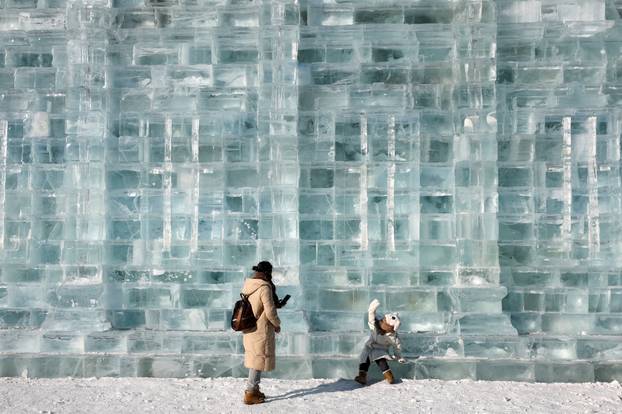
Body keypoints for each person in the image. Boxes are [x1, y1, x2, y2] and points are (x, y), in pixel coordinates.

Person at [241, 261, 281, 405]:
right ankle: (251, 392)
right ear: (267, 272)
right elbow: (270, 311)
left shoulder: (249, 284)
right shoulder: (264, 287)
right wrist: (277, 324)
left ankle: (254, 390)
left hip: (249, 326)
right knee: (258, 359)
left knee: (254, 357)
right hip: (260, 329)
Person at [354, 298, 406, 385]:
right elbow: (371, 317)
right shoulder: (375, 326)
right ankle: (362, 376)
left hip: (381, 349)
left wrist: (399, 356)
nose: (382, 323)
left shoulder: (392, 336)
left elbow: (397, 346)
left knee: (381, 360)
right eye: (382, 321)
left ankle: (389, 377)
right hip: (369, 347)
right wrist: (372, 308)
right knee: (364, 360)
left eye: (384, 323)